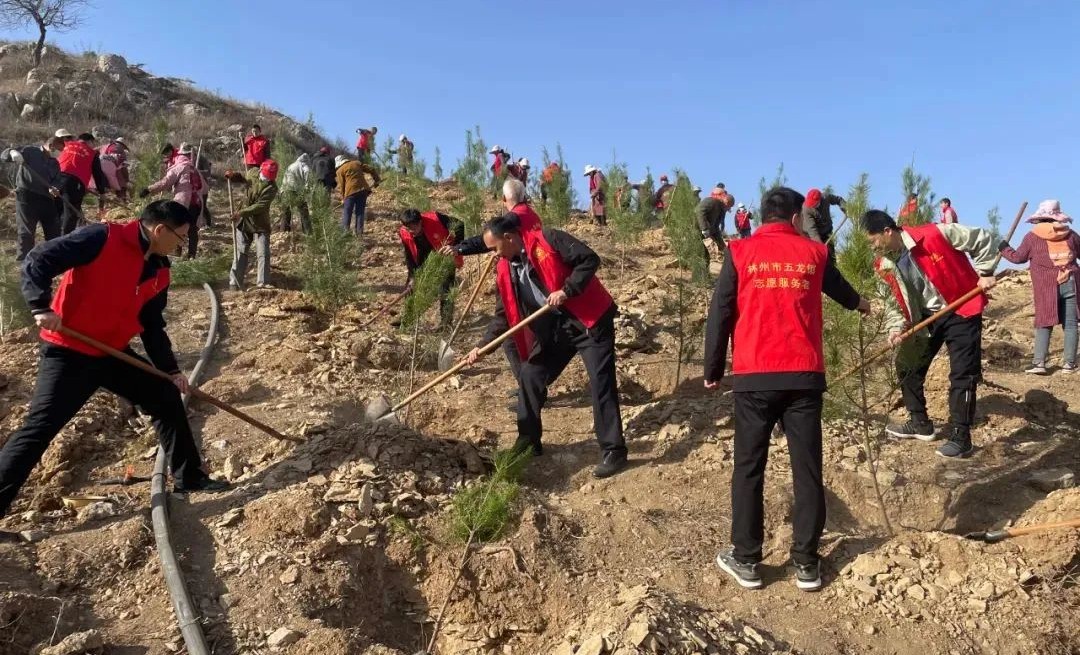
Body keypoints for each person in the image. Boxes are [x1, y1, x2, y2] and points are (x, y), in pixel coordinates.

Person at [0, 200, 229, 537]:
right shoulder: (101, 238)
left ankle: (189, 478)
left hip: (111, 352)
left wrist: (170, 370)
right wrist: (39, 305)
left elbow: (152, 326)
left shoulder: (160, 269)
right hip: (69, 351)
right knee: (40, 429)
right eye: (180, 237)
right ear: (159, 230)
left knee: (165, 395)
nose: (181, 245)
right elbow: (39, 258)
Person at [704, 186, 870, 591]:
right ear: (796, 218)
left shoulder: (740, 253)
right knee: (807, 469)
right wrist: (863, 305)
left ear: (762, 217)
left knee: (749, 468)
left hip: (754, 376)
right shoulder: (816, 254)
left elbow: (721, 310)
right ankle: (806, 564)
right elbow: (843, 291)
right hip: (803, 378)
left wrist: (712, 369)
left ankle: (746, 559)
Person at [465, 213, 628, 478]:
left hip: (589, 320)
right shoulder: (505, 269)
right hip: (556, 328)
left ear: (509, 237)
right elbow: (503, 315)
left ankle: (614, 450)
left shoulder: (548, 239)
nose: (493, 255)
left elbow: (589, 259)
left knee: (600, 382)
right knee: (530, 374)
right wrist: (482, 347)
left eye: (495, 248)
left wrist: (567, 290)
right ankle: (528, 441)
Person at [862, 209, 998, 458]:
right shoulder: (885, 264)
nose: (872, 247)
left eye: (873, 241)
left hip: (961, 307)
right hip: (927, 317)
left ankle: (961, 437)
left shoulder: (934, 234)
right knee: (907, 366)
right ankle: (919, 423)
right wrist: (895, 328)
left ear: (887, 231)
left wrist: (985, 272)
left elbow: (982, 238)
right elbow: (895, 302)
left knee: (962, 373)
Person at [444, 179, 544, 380]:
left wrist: (459, 248)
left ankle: (530, 387)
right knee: (512, 333)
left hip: (516, 277)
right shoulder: (531, 215)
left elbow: (485, 241)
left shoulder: (515, 217)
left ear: (504, 198)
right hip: (525, 273)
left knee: (509, 335)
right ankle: (529, 386)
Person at [999, 200, 1080, 374]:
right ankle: (1069, 364)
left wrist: (1004, 249)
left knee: (1044, 322)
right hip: (1071, 280)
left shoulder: (1032, 237)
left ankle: (1039, 363)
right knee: (1071, 324)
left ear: (1040, 219)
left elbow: (1018, 258)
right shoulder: (1071, 235)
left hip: (1046, 285)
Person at [1, 136, 64, 260]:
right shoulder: (30, 151)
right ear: (51, 146)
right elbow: (4, 155)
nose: (59, 153)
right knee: (27, 232)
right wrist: (12, 152)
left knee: (54, 231)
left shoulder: (54, 163)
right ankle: (24, 261)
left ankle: (53, 259)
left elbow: (57, 180)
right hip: (26, 196)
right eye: (59, 149)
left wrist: (55, 188)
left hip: (46, 199)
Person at [399, 209, 465, 325]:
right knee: (410, 287)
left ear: (420, 222)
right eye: (408, 228)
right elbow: (409, 254)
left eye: (413, 228)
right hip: (422, 257)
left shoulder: (436, 219)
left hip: (444, 256)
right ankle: (407, 319)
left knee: (445, 289)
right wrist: (412, 275)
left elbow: (460, 225)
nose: (411, 231)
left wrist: (455, 247)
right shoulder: (404, 232)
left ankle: (446, 322)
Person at [141, 143, 203, 259]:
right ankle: (191, 255)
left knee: (177, 226)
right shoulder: (192, 167)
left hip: (183, 202)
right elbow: (204, 187)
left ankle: (177, 252)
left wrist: (148, 189)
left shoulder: (180, 166)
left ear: (170, 152)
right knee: (192, 229)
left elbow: (166, 182)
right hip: (196, 202)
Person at [227, 160, 279, 290]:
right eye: (266, 175)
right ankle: (234, 282)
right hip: (244, 222)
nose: (267, 179)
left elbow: (260, 206)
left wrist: (241, 213)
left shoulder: (272, 188)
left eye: (269, 177)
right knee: (241, 251)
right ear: (261, 170)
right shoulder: (253, 172)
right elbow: (243, 179)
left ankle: (263, 282)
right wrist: (233, 176)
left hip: (260, 223)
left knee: (263, 252)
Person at [57, 133, 109, 235]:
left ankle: (52, 238)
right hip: (74, 182)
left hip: (55, 179)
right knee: (71, 214)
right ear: (90, 141)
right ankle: (64, 240)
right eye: (93, 143)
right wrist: (102, 192)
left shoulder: (67, 145)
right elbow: (98, 174)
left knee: (57, 210)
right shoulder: (92, 153)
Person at [335, 154, 381, 236]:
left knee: (347, 212)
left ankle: (345, 233)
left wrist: (343, 197)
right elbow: (371, 169)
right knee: (360, 212)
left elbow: (342, 186)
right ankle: (359, 233)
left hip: (350, 193)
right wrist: (377, 179)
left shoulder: (340, 170)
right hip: (363, 190)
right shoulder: (356, 163)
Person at [280, 153, 312, 234]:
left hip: (285, 190)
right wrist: (307, 191)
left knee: (286, 213)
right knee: (304, 212)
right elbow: (308, 182)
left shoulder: (291, 165)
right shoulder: (305, 167)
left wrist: (282, 191)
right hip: (297, 192)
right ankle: (308, 233)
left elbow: (285, 179)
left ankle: (284, 233)